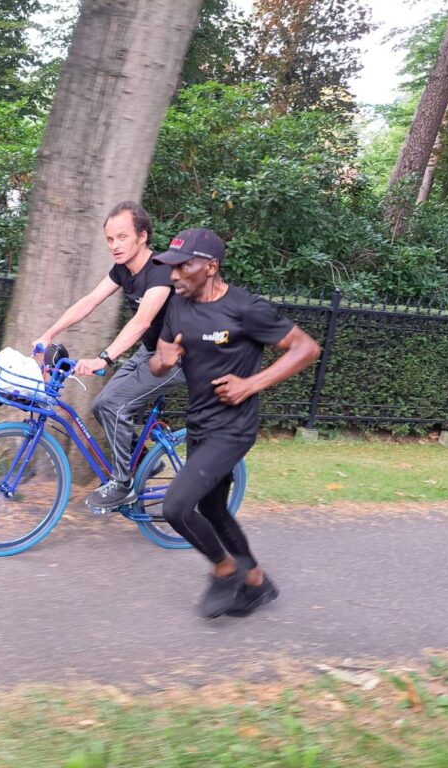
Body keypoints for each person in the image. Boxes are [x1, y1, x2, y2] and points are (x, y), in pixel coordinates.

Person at [149, 228, 321, 618]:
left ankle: (226, 571)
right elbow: (158, 361)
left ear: (210, 267)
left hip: (233, 429)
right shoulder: (176, 306)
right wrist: (165, 361)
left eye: (183, 266)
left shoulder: (245, 309)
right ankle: (257, 584)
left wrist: (251, 384)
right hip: (199, 424)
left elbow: (307, 347)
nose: (174, 276)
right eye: (170, 267)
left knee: (176, 507)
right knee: (212, 509)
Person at [33, 201, 184, 511]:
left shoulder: (161, 271)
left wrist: (105, 358)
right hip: (153, 350)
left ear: (142, 236)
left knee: (115, 405)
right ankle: (142, 463)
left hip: (181, 357)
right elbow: (89, 301)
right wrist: (49, 333)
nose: (115, 245)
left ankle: (123, 483)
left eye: (122, 237)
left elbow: (142, 321)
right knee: (102, 405)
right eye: (110, 239)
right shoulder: (122, 271)